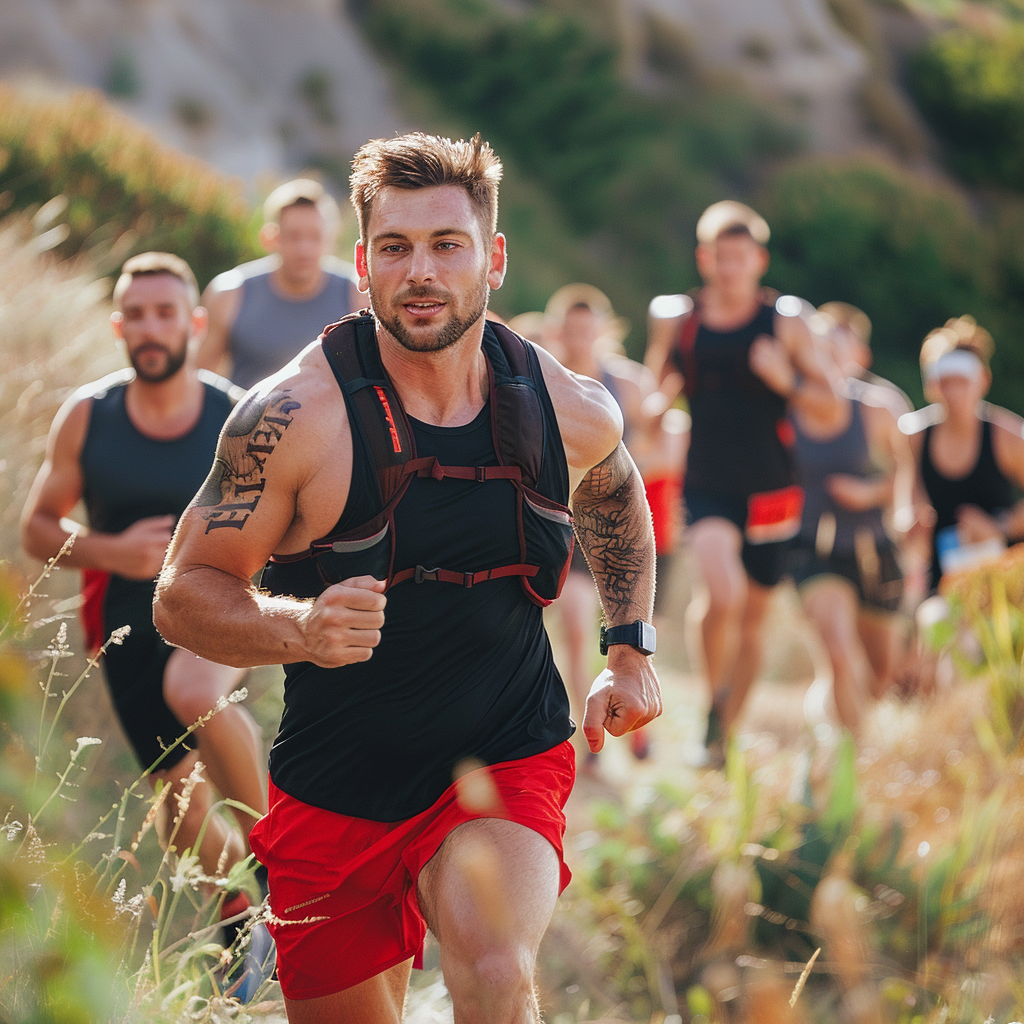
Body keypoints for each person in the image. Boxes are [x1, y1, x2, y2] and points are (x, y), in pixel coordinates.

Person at [154, 132, 662, 1024]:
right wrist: (299, 629)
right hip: (337, 783)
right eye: (395, 248)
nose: (420, 271)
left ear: (493, 259)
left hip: (502, 749)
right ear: (363, 263)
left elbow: (616, 489)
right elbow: (183, 592)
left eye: (446, 245)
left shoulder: (563, 403)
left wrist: (629, 649)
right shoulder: (291, 416)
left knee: (497, 970)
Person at [20, 252, 272, 997]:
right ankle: (239, 918)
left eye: (166, 313)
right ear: (118, 326)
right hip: (125, 625)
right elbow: (38, 527)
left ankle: (280, 865)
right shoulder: (89, 417)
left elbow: (282, 517)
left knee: (197, 691)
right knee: (175, 811)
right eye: (137, 315)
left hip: (220, 606)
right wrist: (113, 551)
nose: (151, 328)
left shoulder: (238, 414)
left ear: (195, 323)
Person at [644, 200, 838, 762]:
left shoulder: (787, 322)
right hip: (705, 480)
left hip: (774, 489)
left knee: (753, 619)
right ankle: (712, 700)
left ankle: (726, 730)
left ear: (759, 259)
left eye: (740, 257)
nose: (729, 268)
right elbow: (662, 378)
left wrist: (786, 381)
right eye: (719, 257)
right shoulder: (683, 320)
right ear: (705, 259)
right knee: (721, 591)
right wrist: (657, 408)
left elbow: (830, 408)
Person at [544, 283, 676, 763]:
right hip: (562, 523)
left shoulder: (630, 384)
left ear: (603, 331)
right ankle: (589, 734)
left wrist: (610, 468)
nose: (580, 337)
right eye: (571, 329)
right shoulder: (544, 380)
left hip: (615, 519)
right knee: (578, 627)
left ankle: (639, 728)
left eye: (588, 328)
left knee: (632, 632)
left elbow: (662, 450)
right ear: (558, 331)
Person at [788, 315, 916, 735]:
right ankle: (851, 763)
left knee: (881, 675)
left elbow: (907, 472)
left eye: (841, 349)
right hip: (813, 548)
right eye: (824, 348)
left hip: (873, 549)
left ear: (859, 357)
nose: (831, 358)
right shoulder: (790, 405)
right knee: (839, 656)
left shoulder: (880, 408)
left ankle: (830, 721)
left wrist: (873, 493)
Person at [198, 178, 361, 389]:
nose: (304, 248)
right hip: (249, 420)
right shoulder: (229, 293)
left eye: (315, 236)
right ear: (270, 237)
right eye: (293, 236)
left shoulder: (358, 294)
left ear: (331, 238)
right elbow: (199, 380)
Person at [901, 317, 1024, 593]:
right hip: (942, 583)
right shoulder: (916, 436)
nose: (954, 393)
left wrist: (998, 527)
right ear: (932, 385)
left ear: (983, 381)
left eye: (962, 382)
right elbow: (908, 504)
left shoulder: (1008, 437)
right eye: (945, 382)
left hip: (1005, 585)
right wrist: (910, 526)